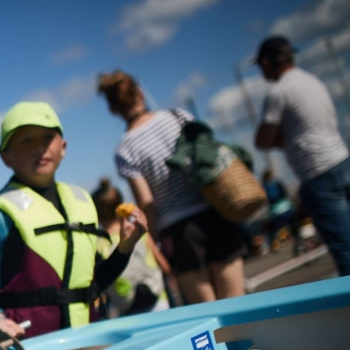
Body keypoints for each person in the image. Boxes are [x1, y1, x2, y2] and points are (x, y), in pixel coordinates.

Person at [0, 101, 148, 339]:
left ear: (63, 147)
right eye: (26, 140)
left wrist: (126, 245)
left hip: (92, 339)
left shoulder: (83, 201)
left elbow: (94, 282)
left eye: (47, 138)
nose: (39, 148)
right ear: (6, 157)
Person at [98, 70, 249, 304]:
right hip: (214, 212)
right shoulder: (178, 117)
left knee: (208, 313)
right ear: (140, 93)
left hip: (179, 231)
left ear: (113, 109)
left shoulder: (125, 148)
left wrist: (155, 241)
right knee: (237, 303)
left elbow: (147, 202)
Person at [254, 35, 350, 276]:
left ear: (266, 62)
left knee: (345, 248)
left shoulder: (278, 92)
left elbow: (262, 140)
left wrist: (282, 137)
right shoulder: (312, 81)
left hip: (317, 173)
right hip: (342, 159)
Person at [91, 178, 171, 317]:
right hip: (159, 301)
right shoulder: (139, 232)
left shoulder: (97, 244)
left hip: (127, 311)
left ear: (96, 214)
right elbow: (165, 266)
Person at [260, 169, 299, 254]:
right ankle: (298, 239)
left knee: (272, 229)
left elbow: (268, 200)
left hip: (275, 211)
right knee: (293, 223)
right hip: (285, 208)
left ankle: (272, 243)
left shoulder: (265, 186)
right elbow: (284, 193)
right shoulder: (276, 183)